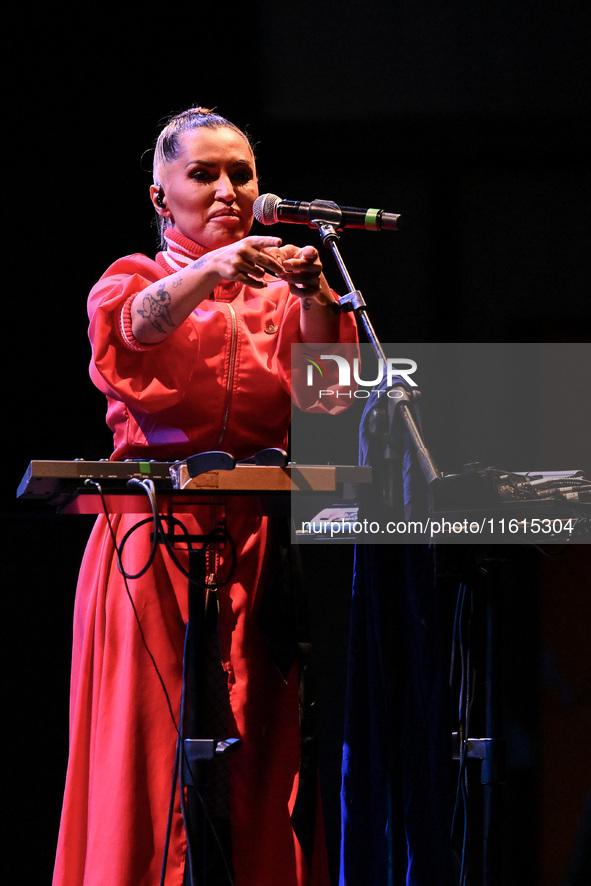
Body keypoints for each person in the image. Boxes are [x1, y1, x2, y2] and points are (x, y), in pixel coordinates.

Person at [52, 106, 358, 886]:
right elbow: (132, 333)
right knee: (148, 755)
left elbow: (333, 403)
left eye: (241, 174)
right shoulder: (136, 278)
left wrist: (321, 295)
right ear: (162, 197)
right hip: (146, 549)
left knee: (262, 755)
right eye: (203, 174)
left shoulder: (284, 295)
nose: (226, 189)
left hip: (257, 545)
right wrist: (209, 272)